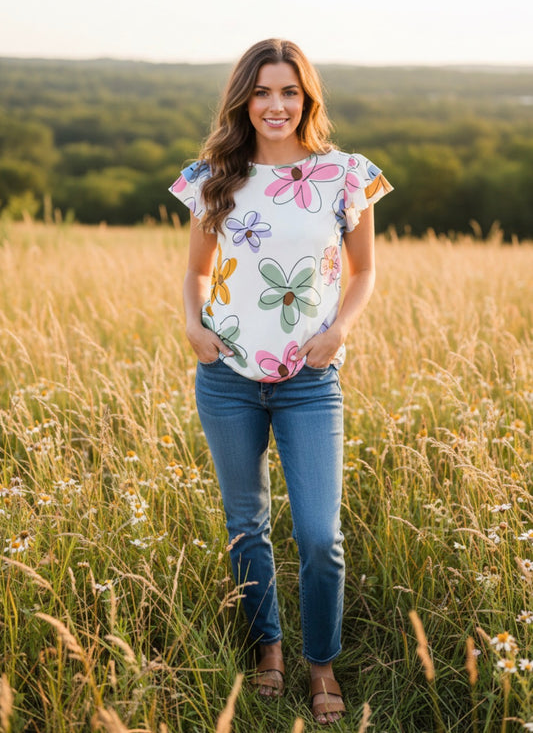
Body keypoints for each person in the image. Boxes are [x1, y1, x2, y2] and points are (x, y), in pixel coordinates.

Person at [169, 38, 393, 725]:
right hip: (226, 376)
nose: (274, 105)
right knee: (246, 527)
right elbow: (196, 270)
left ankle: (318, 662)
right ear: (244, 98)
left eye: (288, 91)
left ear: (306, 98)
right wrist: (192, 326)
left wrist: (337, 333)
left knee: (320, 534)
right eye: (262, 92)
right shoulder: (214, 174)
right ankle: (267, 649)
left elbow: (363, 271)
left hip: (308, 381)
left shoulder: (343, 174)